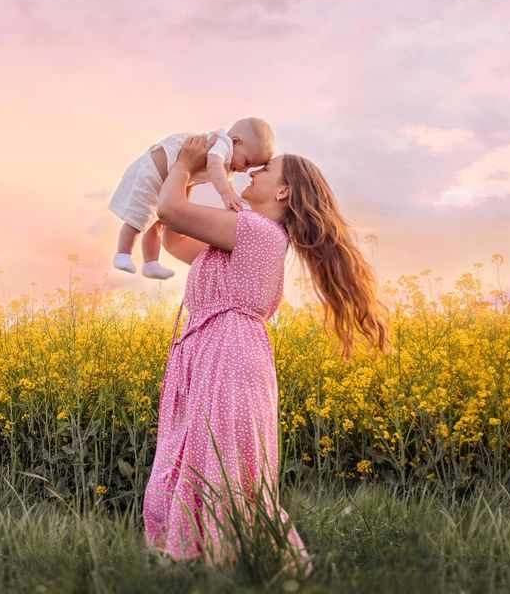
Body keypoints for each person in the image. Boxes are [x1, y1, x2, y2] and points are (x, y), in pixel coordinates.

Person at [142, 134, 393, 575]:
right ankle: (223, 561)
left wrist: (183, 162)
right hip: (217, 349)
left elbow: (168, 213)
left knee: (216, 463)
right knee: (208, 459)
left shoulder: (256, 230)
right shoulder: (244, 231)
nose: (252, 172)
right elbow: (176, 240)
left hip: (228, 352)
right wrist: (191, 175)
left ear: (283, 191)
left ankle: (223, 563)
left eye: (265, 170)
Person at [109, 118, 275, 280]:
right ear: (236, 141)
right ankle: (123, 253)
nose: (244, 171)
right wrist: (225, 194)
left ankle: (150, 262)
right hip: (153, 172)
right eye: (246, 162)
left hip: (167, 179)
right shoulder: (222, 145)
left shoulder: (229, 161)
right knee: (138, 216)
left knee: (158, 223)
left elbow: (224, 181)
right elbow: (214, 166)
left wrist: (230, 197)